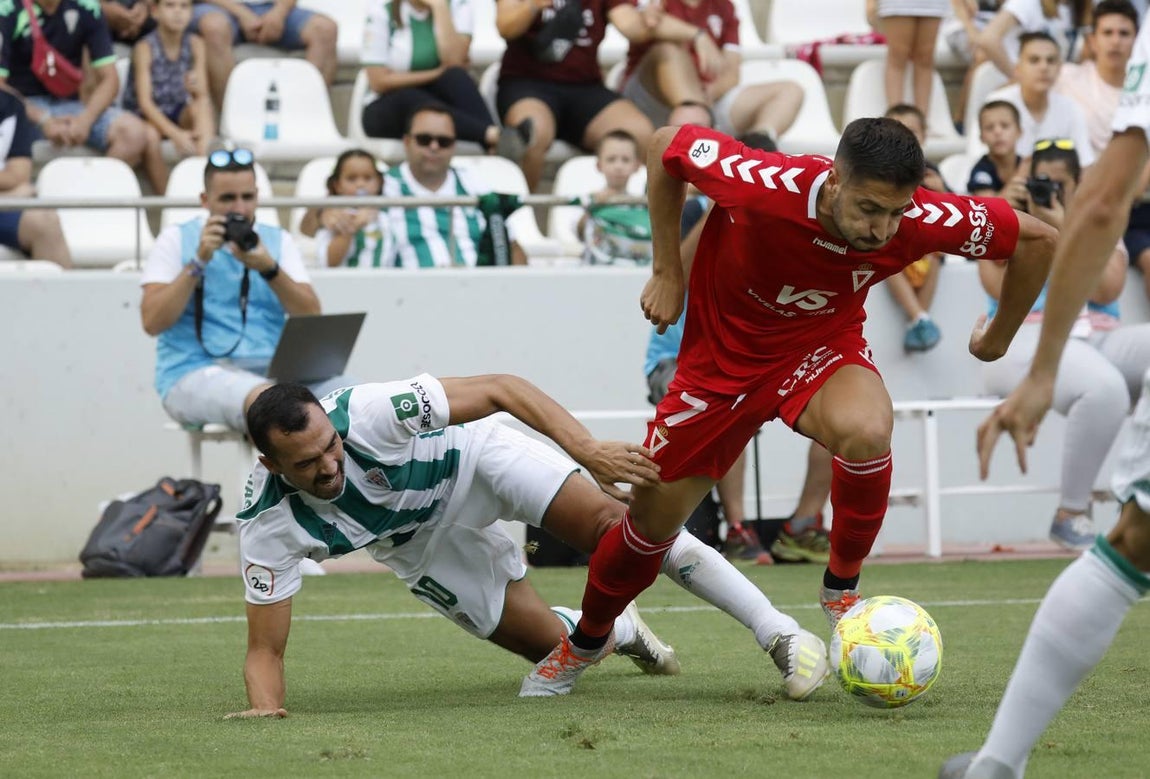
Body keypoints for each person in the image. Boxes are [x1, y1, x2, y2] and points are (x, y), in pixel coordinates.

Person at [520, 117, 1058, 697]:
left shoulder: (922, 218)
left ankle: (841, 592)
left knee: (870, 428)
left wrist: (1000, 335)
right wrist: (667, 270)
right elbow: (662, 145)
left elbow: (1038, 239)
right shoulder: (764, 183)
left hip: (818, 351)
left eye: (896, 212)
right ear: (833, 182)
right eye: (869, 208)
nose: (882, 229)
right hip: (718, 370)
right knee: (647, 528)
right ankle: (588, 641)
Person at [225, 376, 830, 717]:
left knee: (620, 530)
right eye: (308, 463)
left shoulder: (368, 411)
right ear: (269, 462)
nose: (331, 464)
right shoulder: (265, 525)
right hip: (417, 544)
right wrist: (264, 711)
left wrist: (586, 449)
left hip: (475, 461)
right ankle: (619, 632)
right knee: (551, 648)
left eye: (331, 445)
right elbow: (265, 649)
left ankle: (777, 632)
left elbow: (501, 389)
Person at [938, 16, 1150, 778]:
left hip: (1076, 344)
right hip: (1028, 341)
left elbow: (1103, 212)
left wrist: (1041, 372)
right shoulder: (1006, 216)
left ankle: (998, 763)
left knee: (1134, 543)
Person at [981, 138, 1150, 551]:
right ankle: (1071, 512)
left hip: (1097, 336)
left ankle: (1140, 504)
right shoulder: (1006, 222)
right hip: (1021, 338)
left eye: (1060, 185)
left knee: (1105, 374)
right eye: (1042, 183)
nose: (1051, 193)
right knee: (1104, 387)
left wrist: (1068, 230)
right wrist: (1026, 222)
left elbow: (1108, 290)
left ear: (1077, 185)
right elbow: (996, 287)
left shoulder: (1095, 221)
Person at [139, 148, 351, 431]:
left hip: (275, 375)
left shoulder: (276, 241)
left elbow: (310, 313)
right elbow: (152, 321)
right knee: (273, 404)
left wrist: (268, 268)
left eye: (247, 197)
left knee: (352, 400)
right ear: (205, 200)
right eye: (227, 198)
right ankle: (275, 477)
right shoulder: (177, 239)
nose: (239, 209)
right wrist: (199, 261)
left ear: (257, 197)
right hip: (191, 371)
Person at [494, 0, 717, 191]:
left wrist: (691, 32)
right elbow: (505, 26)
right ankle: (519, 223)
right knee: (532, 133)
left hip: (584, 86)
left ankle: (639, 219)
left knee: (642, 134)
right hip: (527, 84)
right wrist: (533, 4)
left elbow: (631, 27)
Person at [0, 0, 168, 193]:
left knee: (134, 134)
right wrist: (43, 120)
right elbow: (1, 87)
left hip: (71, 104)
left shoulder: (86, 5)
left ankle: (90, 198)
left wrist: (85, 120)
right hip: (21, 106)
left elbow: (110, 79)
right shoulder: (7, 7)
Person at [361, 0, 532, 159]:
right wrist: (435, 74)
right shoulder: (382, 10)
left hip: (441, 99)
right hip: (387, 108)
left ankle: (495, 148)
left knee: (456, 78)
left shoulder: (458, 5)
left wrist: (439, 8)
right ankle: (493, 137)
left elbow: (454, 63)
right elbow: (379, 82)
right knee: (411, 98)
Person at [618, 0, 802, 145]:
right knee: (669, 50)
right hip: (648, 99)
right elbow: (646, 23)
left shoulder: (724, 6)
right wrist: (698, 35)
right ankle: (695, 136)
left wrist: (704, 99)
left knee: (790, 91)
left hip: (707, 101)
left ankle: (758, 143)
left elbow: (731, 74)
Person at [383, 106, 527, 267]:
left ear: (453, 146)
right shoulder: (383, 187)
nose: (434, 147)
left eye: (444, 142)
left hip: (478, 287)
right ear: (407, 142)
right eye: (424, 139)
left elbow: (512, 247)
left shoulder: (474, 183)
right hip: (406, 289)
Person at [191, 0, 338, 110]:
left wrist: (279, 13)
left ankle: (305, 113)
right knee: (214, 27)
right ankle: (232, 117)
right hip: (220, 6)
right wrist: (242, 13)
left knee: (326, 29)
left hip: (274, 7)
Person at [884, 103, 946, 352]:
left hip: (925, 246)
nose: (905, 139)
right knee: (886, 263)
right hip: (893, 244)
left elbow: (953, 213)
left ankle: (921, 320)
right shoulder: (880, 171)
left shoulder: (931, 171)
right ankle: (920, 318)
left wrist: (940, 192)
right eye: (896, 133)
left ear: (924, 136)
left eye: (912, 131)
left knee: (937, 257)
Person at [984, 31, 1096, 167]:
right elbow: (979, 158)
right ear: (1018, 68)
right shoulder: (995, 104)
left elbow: (1085, 163)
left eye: (1051, 61)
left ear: (1060, 68)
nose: (1043, 67)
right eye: (1034, 60)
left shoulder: (1071, 108)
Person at [124, 0, 216, 158]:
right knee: (150, 135)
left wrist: (195, 90)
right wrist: (176, 134)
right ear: (155, 11)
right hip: (146, 117)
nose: (177, 12)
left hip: (178, 111)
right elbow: (144, 103)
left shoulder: (196, 43)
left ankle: (204, 164)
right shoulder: (145, 48)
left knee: (201, 106)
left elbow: (203, 94)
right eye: (170, 5)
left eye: (184, 6)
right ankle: (164, 183)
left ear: (192, 11)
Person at [1053, 0, 1138, 160]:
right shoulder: (1064, 77)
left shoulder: (1144, 91)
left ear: (1137, 42)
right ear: (1092, 41)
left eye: (1124, 33)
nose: (1116, 41)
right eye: (1107, 33)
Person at [0, 87, 71, 268]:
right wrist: (10, 196)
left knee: (45, 222)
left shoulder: (10, 105)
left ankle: (66, 296)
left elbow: (18, 174)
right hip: (5, 198)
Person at [577, 129, 652, 266]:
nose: (618, 166)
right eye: (611, 159)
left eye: (625, 160)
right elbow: (581, 234)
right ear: (599, 165)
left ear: (636, 166)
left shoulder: (642, 205)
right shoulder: (593, 200)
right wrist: (591, 209)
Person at [866, 0, 948, 115]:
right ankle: (896, 119)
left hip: (934, 4)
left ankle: (921, 121)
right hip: (898, 4)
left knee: (925, 58)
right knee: (898, 56)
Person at [313, 149, 390, 268]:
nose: (360, 184)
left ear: (379, 182)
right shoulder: (334, 216)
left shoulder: (386, 214)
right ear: (337, 185)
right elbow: (330, 262)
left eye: (367, 178)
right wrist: (350, 228)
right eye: (351, 179)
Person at [975, 0, 1092, 77]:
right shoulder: (1027, 3)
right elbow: (988, 39)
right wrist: (1016, 76)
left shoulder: (1078, 9)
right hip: (1021, 85)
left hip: (1057, 85)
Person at [967, 100, 1025, 205]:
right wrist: (1023, 173)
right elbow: (988, 207)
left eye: (1005, 126)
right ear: (981, 137)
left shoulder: (1028, 164)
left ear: (1019, 131)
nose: (997, 132)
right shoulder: (981, 171)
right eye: (989, 128)